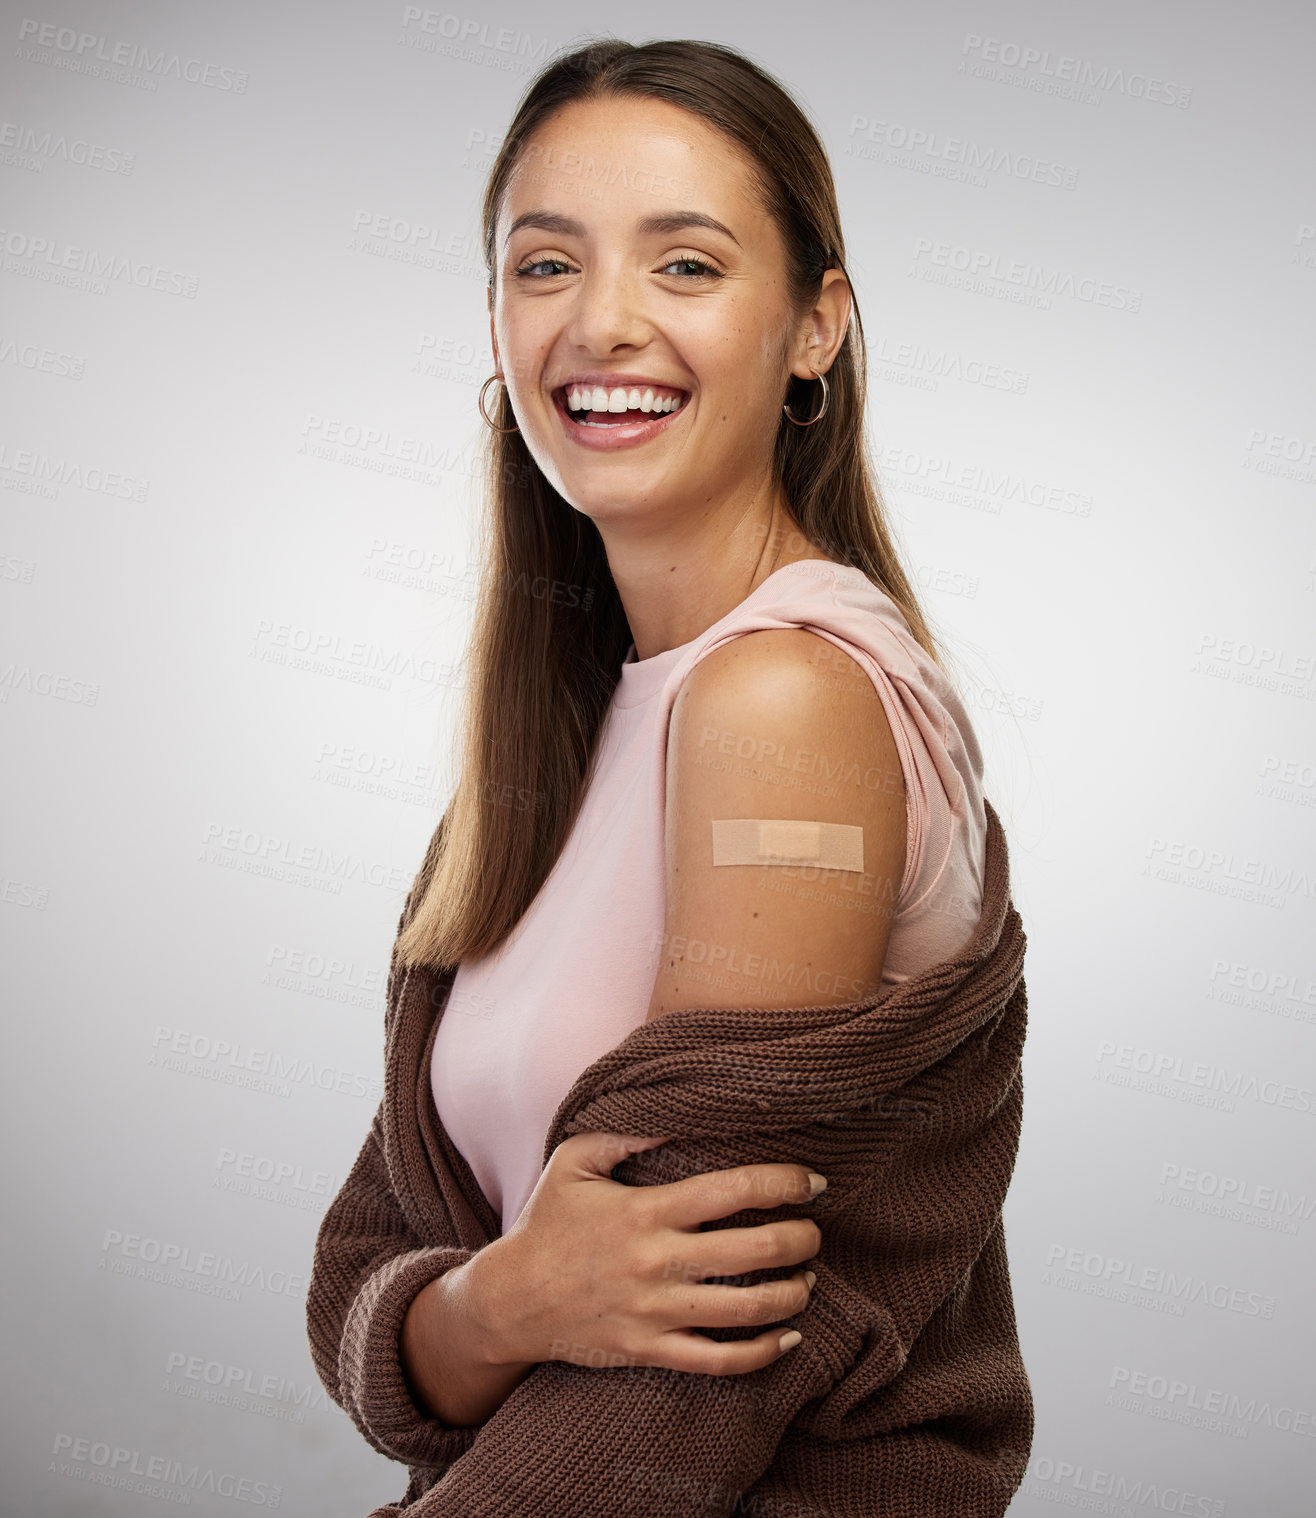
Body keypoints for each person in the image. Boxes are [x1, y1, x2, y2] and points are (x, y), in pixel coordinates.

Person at [308, 36, 1032, 1516]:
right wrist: (496, 1304)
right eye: (546, 264)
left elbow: (701, 1366)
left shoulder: (786, 701)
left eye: (687, 265)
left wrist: (474, 1324)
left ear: (816, 325)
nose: (604, 324)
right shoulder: (558, 743)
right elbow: (362, 1262)